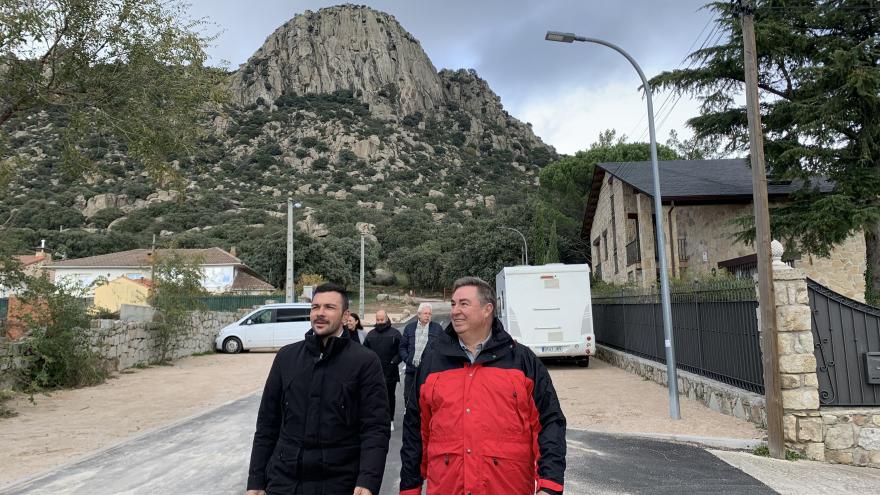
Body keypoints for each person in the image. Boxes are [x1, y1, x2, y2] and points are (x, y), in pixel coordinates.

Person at [399, 277, 566, 495]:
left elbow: (550, 422)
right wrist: (409, 488)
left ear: (487, 310)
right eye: (453, 304)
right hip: (447, 487)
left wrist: (550, 485)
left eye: (464, 304)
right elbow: (415, 429)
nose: (455, 311)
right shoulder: (432, 362)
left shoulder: (522, 361)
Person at [246, 283, 390, 495]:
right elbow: (267, 424)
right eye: (315, 307)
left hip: (339, 483)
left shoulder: (365, 361)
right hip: (284, 482)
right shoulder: (286, 358)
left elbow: (375, 428)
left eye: (329, 307)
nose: (320, 313)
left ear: (345, 315)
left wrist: (368, 480)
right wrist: (256, 480)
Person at [364, 309, 403, 431]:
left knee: (390, 397)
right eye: (378, 319)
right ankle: (377, 420)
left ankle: (390, 420)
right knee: (374, 398)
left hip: (390, 372)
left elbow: (401, 350)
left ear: (387, 318)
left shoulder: (395, 333)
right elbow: (365, 352)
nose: (380, 322)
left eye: (382, 319)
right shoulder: (370, 334)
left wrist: (394, 361)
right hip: (374, 373)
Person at [398, 302, 442, 408]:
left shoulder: (437, 328)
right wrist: (408, 359)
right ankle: (408, 417)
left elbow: (442, 348)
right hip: (411, 371)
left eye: (429, 314)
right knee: (408, 397)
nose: (428, 316)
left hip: (428, 371)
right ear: (419, 314)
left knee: (427, 399)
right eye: (425, 313)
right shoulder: (409, 328)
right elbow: (402, 347)